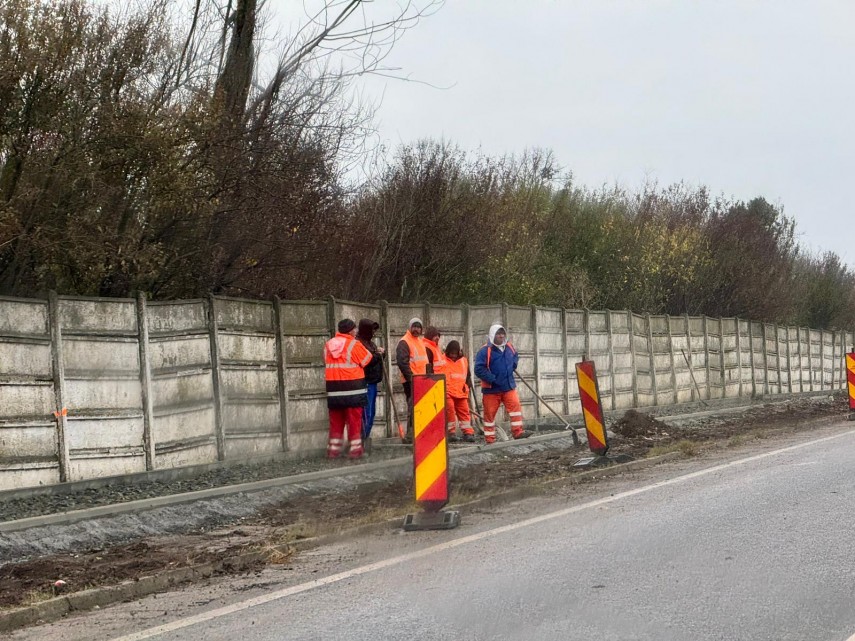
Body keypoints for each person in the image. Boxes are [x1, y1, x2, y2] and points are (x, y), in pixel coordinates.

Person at [474, 324, 532, 443]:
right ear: (492, 335)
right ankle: (490, 439)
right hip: (491, 389)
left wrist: (513, 365)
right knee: (489, 415)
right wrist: (492, 378)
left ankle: (518, 432)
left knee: (515, 407)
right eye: (498, 334)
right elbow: (479, 369)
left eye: (502, 333)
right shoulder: (485, 351)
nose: (501, 336)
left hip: (508, 386)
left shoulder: (509, 347)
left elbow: (515, 356)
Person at [324, 319, 373, 459]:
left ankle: (333, 451)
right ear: (350, 330)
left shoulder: (328, 345)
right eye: (354, 329)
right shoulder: (354, 344)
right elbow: (367, 359)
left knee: (336, 422)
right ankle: (355, 451)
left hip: (333, 390)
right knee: (354, 422)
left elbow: (326, 361)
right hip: (353, 390)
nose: (356, 331)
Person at [396, 318, 428, 443]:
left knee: (421, 408)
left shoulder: (420, 341)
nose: (416, 329)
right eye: (414, 326)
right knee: (413, 408)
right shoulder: (404, 342)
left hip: (422, 380)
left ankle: (419, 433)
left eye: (419, 327)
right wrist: (411, 379)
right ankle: (410, 435)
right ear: (410, 327)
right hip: (411, 381)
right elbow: (402, 363)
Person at [356, 318, 385, 449]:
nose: (374, 332)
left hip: (373, 382)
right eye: (372, 330)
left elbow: (375, 358)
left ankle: (364, 439)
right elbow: (368, 361)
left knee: (371, 413)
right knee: (366, 414)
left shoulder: (370, 343)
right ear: (366, 330)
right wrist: (378, 355)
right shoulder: (359, 343)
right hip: (365, 382)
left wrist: (381, 354)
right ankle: (360, 442)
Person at [441, 340, 476, 443]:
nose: (453, 356)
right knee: (450, 411)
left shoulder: (464, 361)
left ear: (459, 352)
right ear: (448, 352)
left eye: (455, 354)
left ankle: (468, 433)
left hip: (461, 392)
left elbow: (468, 376)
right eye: (451, 353)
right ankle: (451, 433)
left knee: (464, 412)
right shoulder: (442, 360)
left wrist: (467, 386)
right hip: (447, 391)